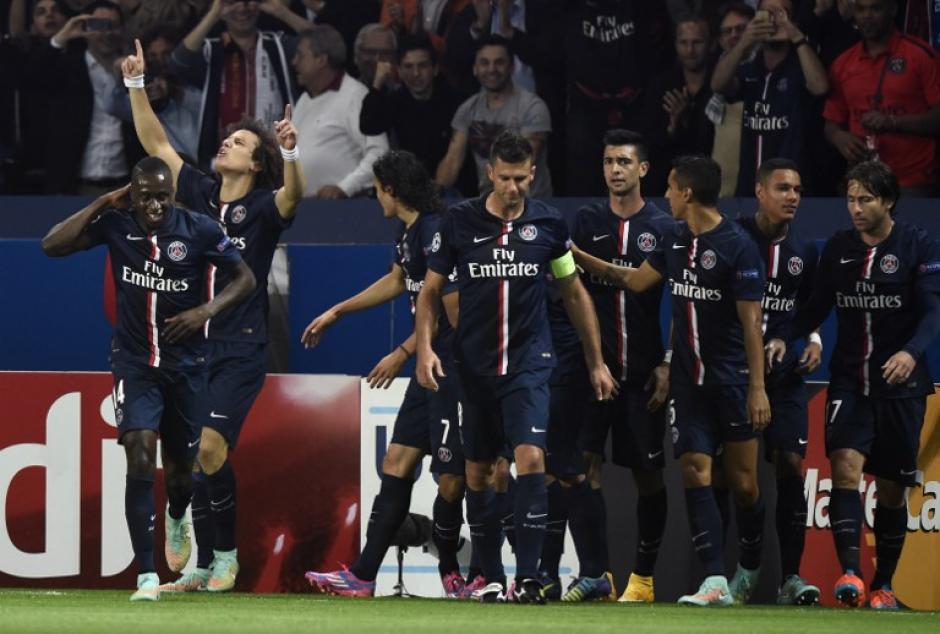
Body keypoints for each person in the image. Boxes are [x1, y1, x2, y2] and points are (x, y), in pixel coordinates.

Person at [121, 37, 306, 593]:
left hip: (242, 346)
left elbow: (294, 197)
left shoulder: (264, 207)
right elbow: (155, 140)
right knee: (193, 458)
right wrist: (135, 82)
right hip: (189, 348)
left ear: (258, 161)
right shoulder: (198, 192)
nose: (226, 143)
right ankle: (196, 552)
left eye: (240, 141)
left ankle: (224, 558)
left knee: (207, 448)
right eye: (228, 137)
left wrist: (292, 152)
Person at [40, 156, 256, 601]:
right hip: (134, 363)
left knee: (179, 475)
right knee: (139, 450)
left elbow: (245, 278)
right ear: (132, 195)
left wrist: (205, 311)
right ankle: (146, 576)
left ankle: (176, 516)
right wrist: (102, 200)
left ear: (172, 195)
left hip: (186, 367)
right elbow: (51, 245)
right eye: (145, 197)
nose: (155, 205)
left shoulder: (199, 230)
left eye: (162, 196)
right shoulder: (117, 224)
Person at [415, 131, 617, 604]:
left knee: (530, 457)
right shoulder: (459, 222)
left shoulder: (549, 224)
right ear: (490, 173)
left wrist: (596, 363)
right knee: (479, 473)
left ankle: (528, 578)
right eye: (504, 178)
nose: (513, 187)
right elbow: (429, 293)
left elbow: (572, 292)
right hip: (474, 366)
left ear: (532, 173)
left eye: (521, 178)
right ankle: (490, 575)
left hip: (530, 361)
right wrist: (425, 349)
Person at [572, 155, 771, 607]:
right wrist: (577, 257)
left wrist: (758, 388)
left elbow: (751, 325)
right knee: (693, 470)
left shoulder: (737, 246)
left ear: (686, 193)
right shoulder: (675, 238)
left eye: (670, 187)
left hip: (733, 382)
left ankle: (751, 565)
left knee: (744, 485)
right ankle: (714, 581)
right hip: (688, 383)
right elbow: (636, 281)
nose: (665, 195)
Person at [301, 150, 471, 599]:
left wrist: (402, 351)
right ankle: (362, 575)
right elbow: (398, 281)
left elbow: (449, 314)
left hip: (448, 369)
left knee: (451, 480)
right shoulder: (409, 230)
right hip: (426, 370)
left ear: (391, 189)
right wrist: (338, 311)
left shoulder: (438, 231)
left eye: (377, 188)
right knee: (396, 462)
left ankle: (452, 570)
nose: (375, 196)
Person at [790, 160, 940, 610]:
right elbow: (814, 307)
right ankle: (851, 574)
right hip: (849, 381)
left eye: (865, 199)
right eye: (851, 199)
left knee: (893, 488)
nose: (855, 208)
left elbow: (934, 312)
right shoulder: (837, 249)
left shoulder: (917, 245)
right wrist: (780, 335)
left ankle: (884, 585)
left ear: (888, 200)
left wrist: (910, 352)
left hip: (902, 386)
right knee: (845, 470)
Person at [565, 129, 674, 603]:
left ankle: (643, 580)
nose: (615, 170)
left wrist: (669, 363)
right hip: (594, 372)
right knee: (581, 468)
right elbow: (572, 294)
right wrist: (589, 361)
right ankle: (596, 574)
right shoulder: (587, 219)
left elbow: (683, 302)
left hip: (644, 374)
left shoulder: (665, 227)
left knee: (648, 476)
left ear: (643, 169)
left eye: (625, 162)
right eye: (609, 161)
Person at [734, 158, 822, 605]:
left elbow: (810, 306)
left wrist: (813, 337)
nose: (792, 196)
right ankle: (745, 571)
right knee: (743, 481)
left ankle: (792, 578)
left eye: (798, 189)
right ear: (760, 191)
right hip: (736, 378)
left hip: (785, 380)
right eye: (783, 187)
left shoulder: (804, 251)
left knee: (791, 465)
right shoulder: (733, 239)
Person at [168, 0, 312, 168]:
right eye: (233, 2)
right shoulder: (212, 50)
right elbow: (177, 63)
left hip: (274, 160)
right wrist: (213, 15)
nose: (242, 9)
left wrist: (280, 11)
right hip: (224, 163)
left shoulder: (277, 44)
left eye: (249, 2)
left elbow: (324, 41)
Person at [710, 0, 829, 196]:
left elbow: (819, 87)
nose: (774, 21)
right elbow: (718, 85)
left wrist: (796, 36)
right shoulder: (750, 67)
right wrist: (744, 42)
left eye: (782, 13)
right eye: (767, 14)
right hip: (750, 188)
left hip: (791, 190)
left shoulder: (801, 64)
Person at [823, 0, 940, 197]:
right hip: (861, 183)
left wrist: (893, 122)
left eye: (875, 8)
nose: (867, 16)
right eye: (860, 9)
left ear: (892, 10)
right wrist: (839, 138)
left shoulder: (921, 55)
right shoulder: (842, 63)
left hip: (913, 184)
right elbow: (830, 123)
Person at [435, 35, 553, 198]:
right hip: (489, 206)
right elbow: (452, 161)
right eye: (484, 63)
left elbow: (523, 161)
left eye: (499, 62)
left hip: (532, 206)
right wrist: (434, 192)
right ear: (475, 69)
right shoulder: (468, 109)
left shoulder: (532, 107)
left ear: (511, 67)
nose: (491, 69)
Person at [41, 1, 132, 194]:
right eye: (100, 26)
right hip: (76, 185)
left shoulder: (135, 70)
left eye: (113, 26)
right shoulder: (66, 68)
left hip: (126, 186)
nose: (107, 33)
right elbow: (32, 78)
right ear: (86, 29)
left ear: (123, 30)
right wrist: (61, 37)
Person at [291, 24, 390, 198]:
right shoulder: (304, 99)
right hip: (306, 212)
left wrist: (345, 187)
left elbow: (380, 153)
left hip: (345, 213)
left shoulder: (356, 96)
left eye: (300, 55)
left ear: (321, 60)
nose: (294, 62)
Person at [359, 33, 466, 182]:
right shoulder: (395, 100)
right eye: (408, 67)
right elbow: (369, 126)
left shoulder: (455, 101)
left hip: (455, 187)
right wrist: (377, 84)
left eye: (422, 66)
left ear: (435, 69)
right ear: (399, 71)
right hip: (411, 186)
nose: (415, 74)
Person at [643, 14, 715, 195]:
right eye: (684, 43)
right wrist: (674, 126)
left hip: (711, 180)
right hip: (666, 184)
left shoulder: (720, 85)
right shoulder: (662, 87)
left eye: (697, 42)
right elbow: (650, 144)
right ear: (675, 45)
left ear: (711, 44)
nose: (690, 49)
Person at [707, 2, 754, 197]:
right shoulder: (719, 68)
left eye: (741, 29)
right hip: (723, 189)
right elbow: (719, 84)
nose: (734, 35)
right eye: (727, 31)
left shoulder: (763, 64)